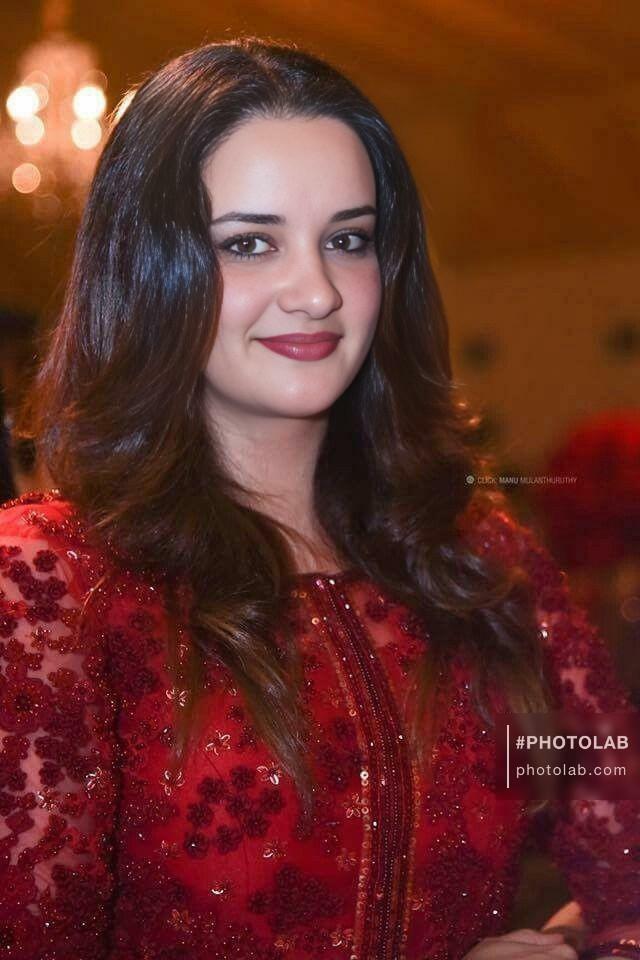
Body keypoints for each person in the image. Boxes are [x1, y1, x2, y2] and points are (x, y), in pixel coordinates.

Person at [0, 37, 638, 960]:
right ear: (148, 270)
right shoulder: (50, 585)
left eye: (348, 239)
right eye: (249, 243)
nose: (315, 292)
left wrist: (583, 946)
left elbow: (625, 857)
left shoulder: (483, 563)